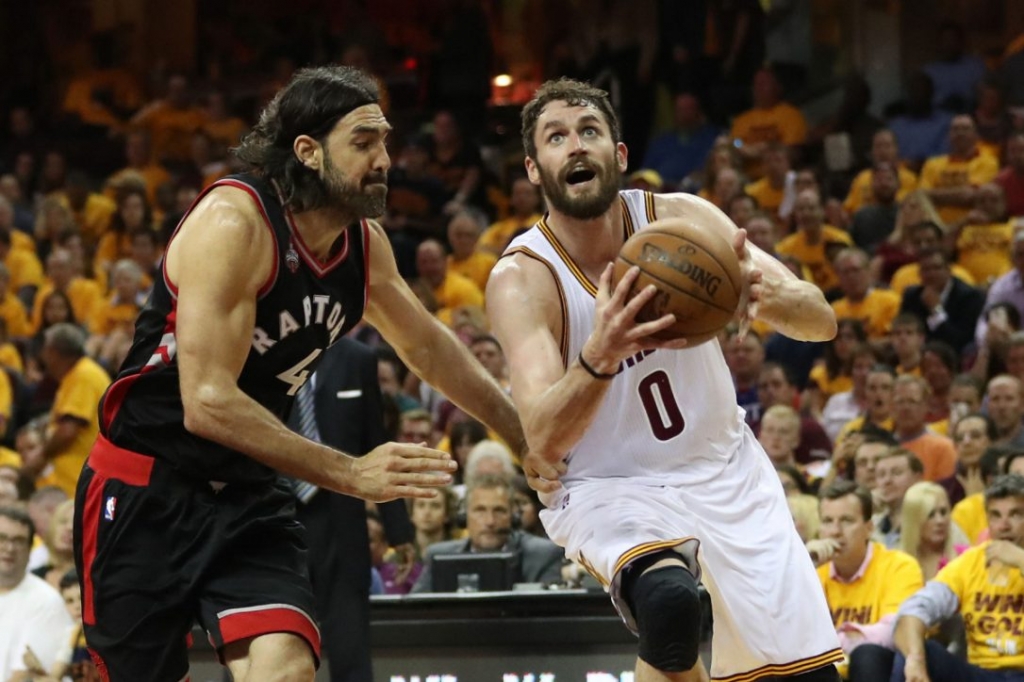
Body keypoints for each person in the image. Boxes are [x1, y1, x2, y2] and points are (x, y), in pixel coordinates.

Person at [72, 66, 529, 682]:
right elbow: (206, 402)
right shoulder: (235, 224)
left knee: (287, 668)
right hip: (145, 489)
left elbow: (427, 347)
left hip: (247, 495)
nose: (385, 159)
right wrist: (350, 472)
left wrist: (518, 432)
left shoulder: (363, 245)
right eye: (363, 143)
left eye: (386, 141)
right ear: (308, 152)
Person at [486, 78, 842, 682]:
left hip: (726, 470)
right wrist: (602, 351)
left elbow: (823, 321)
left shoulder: (684, 221)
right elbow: (543, 440)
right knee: (671, 605)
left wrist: (765, 294)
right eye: (557, 137)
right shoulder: (524, 278)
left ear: (619, 155)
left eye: (590, 132)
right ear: (534, 170)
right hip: (609, 485)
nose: (576, 146)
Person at [285, 336, 415, 682]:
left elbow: (376, 442)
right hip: (275, 524)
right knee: (265, 648)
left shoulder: (358, 358)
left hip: (342, 525)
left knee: (351, 653)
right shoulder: (259, 350)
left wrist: (399, 531)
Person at [892, 474, 1024, 682]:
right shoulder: (971, 561)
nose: (1004, 525)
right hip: (981, 673)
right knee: (918, 651)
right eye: (996, 516)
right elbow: (915, 609)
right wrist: (915, 659)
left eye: (1015, 515)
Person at [411, 474, 565, 593]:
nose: (490, 521)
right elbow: (413, 612)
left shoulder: (543, 556)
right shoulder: (439, 557)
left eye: (499, 511)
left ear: (514, 517)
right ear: (464, 517)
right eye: (480, 510)